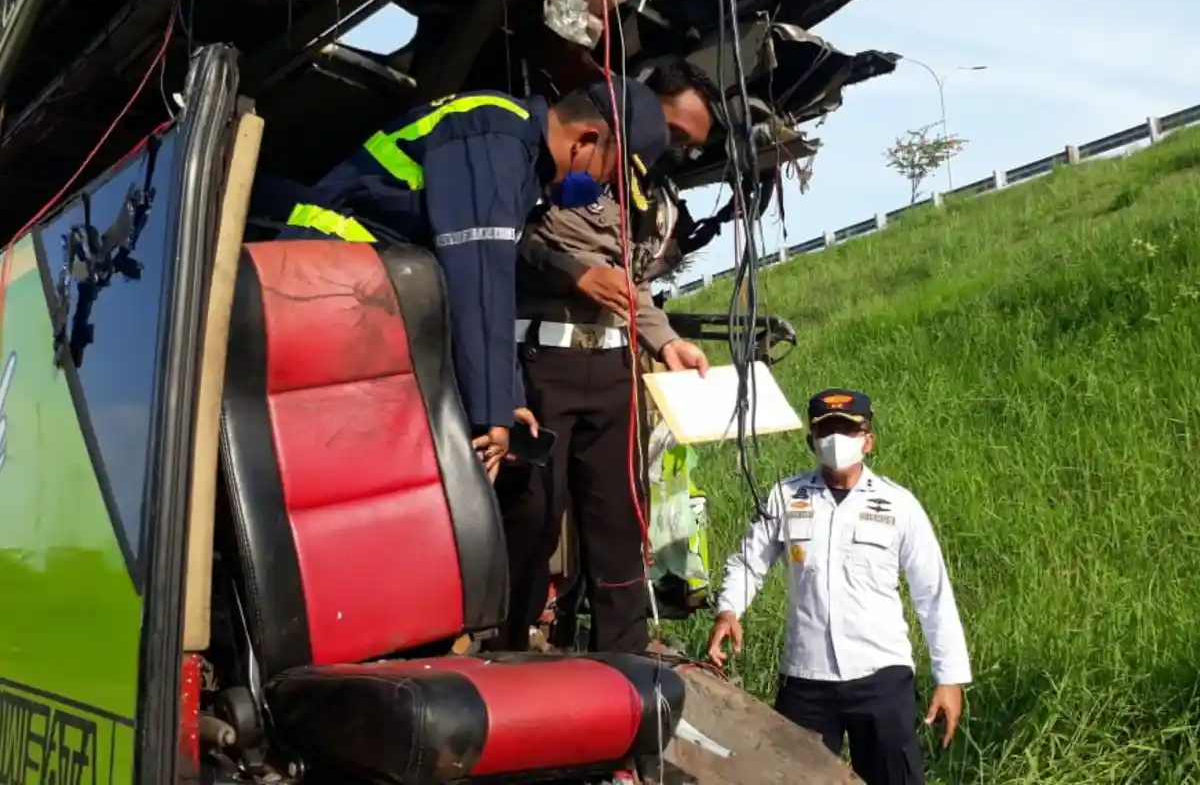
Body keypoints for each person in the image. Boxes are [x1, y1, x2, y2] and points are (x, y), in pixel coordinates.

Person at [275, 80, 671, 474]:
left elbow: (492, 287)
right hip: (323, 282)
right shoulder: (496, 136)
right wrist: (491, 416)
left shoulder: (517, 153)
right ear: (586, 140)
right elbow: (479, 280)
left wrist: (509, 397)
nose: (599, 190)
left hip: (355, 292)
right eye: (607, 176)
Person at [490, 60, 722, 654]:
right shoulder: (563, 165)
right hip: (545, 361)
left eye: (688, 146)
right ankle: (508, 647)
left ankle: (625, 655)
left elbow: (632, 281)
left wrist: (665, 341)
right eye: (671, 133)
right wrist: (572, 273)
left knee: (618, 516)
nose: (672, 151)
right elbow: (506, 240)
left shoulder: (654, 200)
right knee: (535, 512)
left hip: (615, 367)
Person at [706, 389, 972, 785]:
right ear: (811, 441)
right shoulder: (786, 496)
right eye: (826, 430)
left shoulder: (898, 505)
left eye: (847, 430)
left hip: (881, 676)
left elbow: (932, 594)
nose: (835, 439)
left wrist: (949, 678)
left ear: (868, 441)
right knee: (795, 779)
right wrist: (728, 609)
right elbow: (749, 563)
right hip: (806, 677)